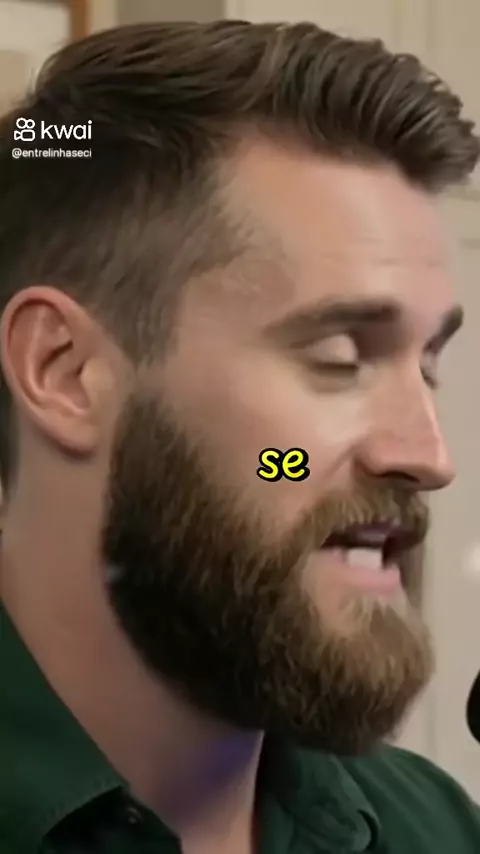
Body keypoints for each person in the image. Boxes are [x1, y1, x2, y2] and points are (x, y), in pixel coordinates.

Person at [0, 19, 479, 854]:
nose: (428, 457)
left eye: (428, 363)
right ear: (65, 370)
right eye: (340, 358)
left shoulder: (436, 827)